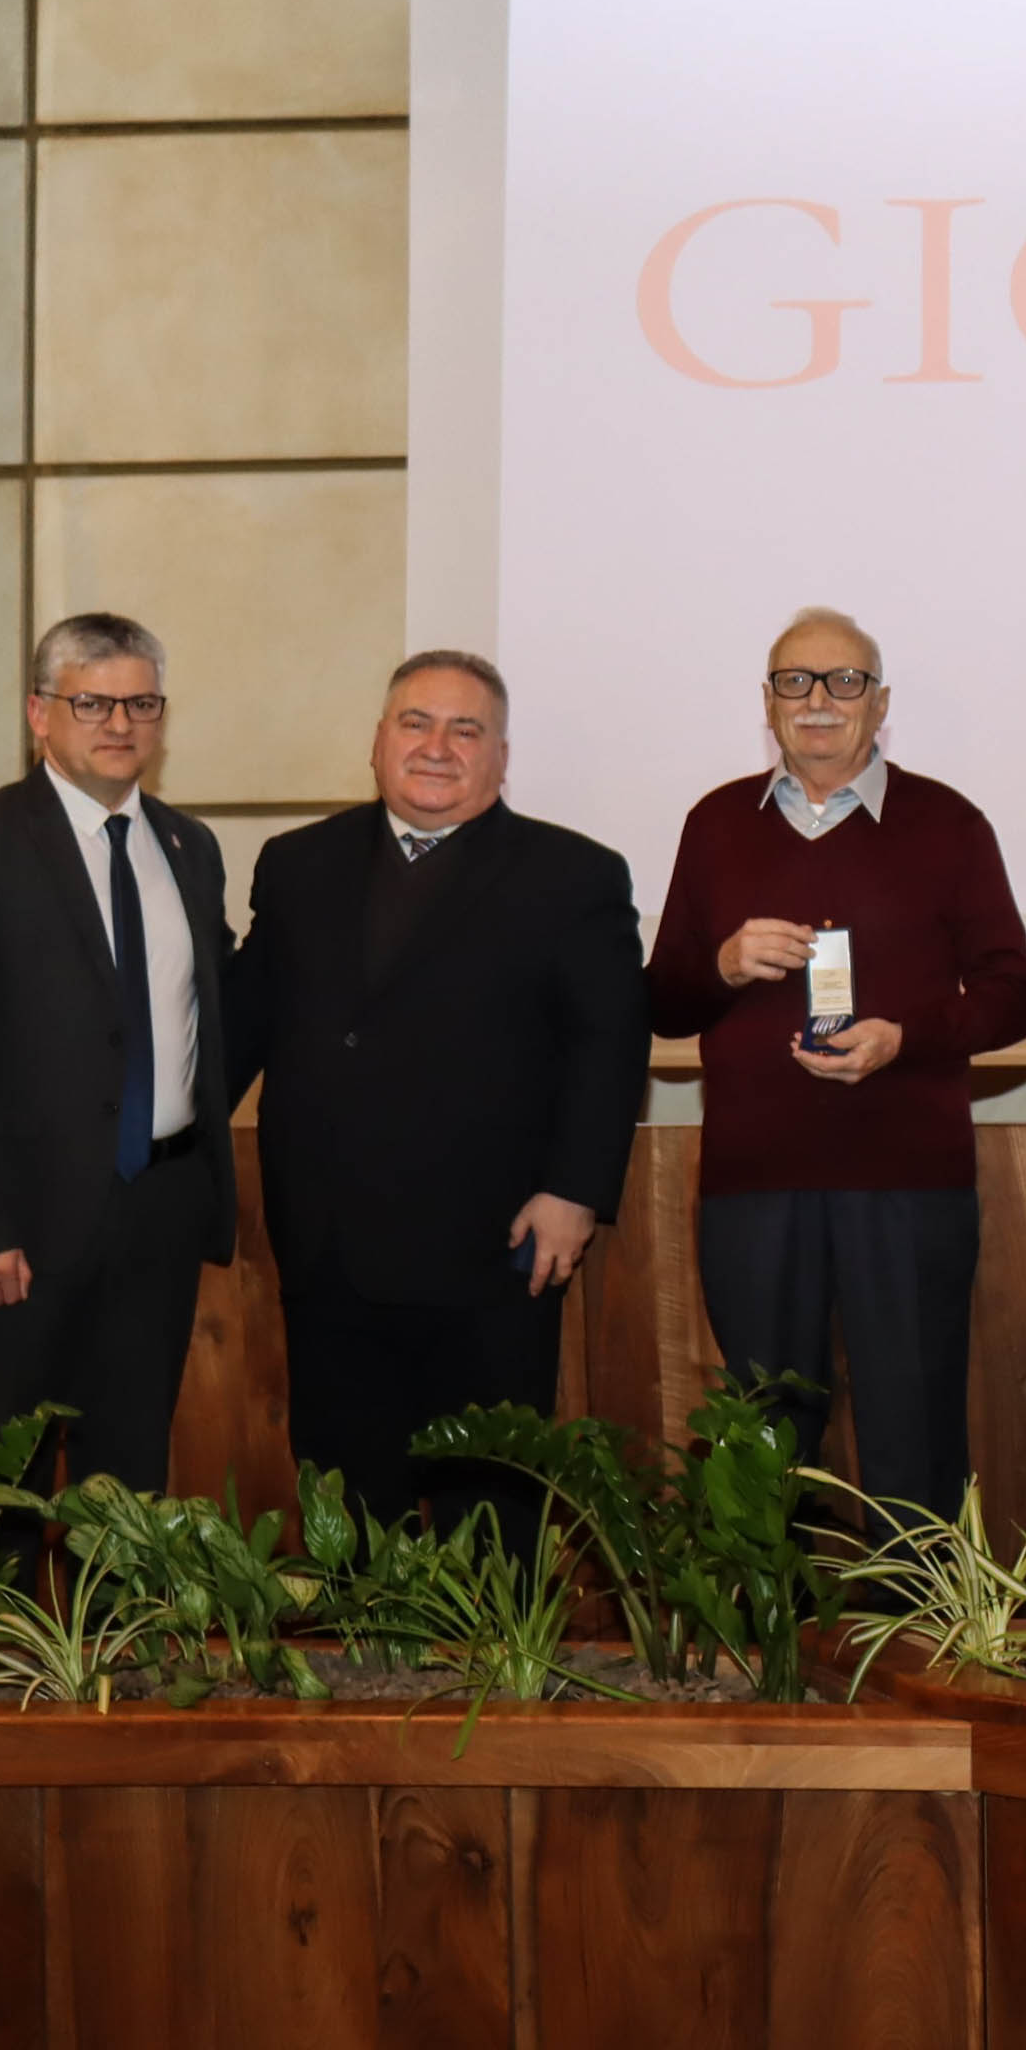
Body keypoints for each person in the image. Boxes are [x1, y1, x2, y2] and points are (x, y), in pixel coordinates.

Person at [226, 651, 648, 1527]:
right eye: (415, 722)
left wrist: (575, 1191)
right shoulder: (298, 864)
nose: (436, 746)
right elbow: (239, 1030)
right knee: (345, 1508)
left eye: (466, 730)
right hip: (330, 1252)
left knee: (488, 1511)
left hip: (493, 1252)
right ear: (378, 740)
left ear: (501, 756)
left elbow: (608, 1046)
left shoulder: (573, 875)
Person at [644, 608, 1026, 1518]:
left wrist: (906, 1037)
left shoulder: (949, 823)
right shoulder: (715, 824)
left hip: (908, 1181)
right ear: (768, 702)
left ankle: (919, 1611)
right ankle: (775, 1613)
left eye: (844, 681)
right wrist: (722, 964)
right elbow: (662, 1002)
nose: (818, 699)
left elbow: (1012, 994)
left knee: (914, 1436)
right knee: (762, 1440)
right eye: (795, 681)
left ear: (880, 703)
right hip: (753, 1182)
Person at [0, 613, 239, 1495]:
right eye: (93, 703)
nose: (120, 723)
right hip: (19, 1231)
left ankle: (120, 1600)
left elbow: (211, 1015)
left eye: (141, 703)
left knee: (129, 1482)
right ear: (39, 713)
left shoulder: (190, 847)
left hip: (159, 1217)